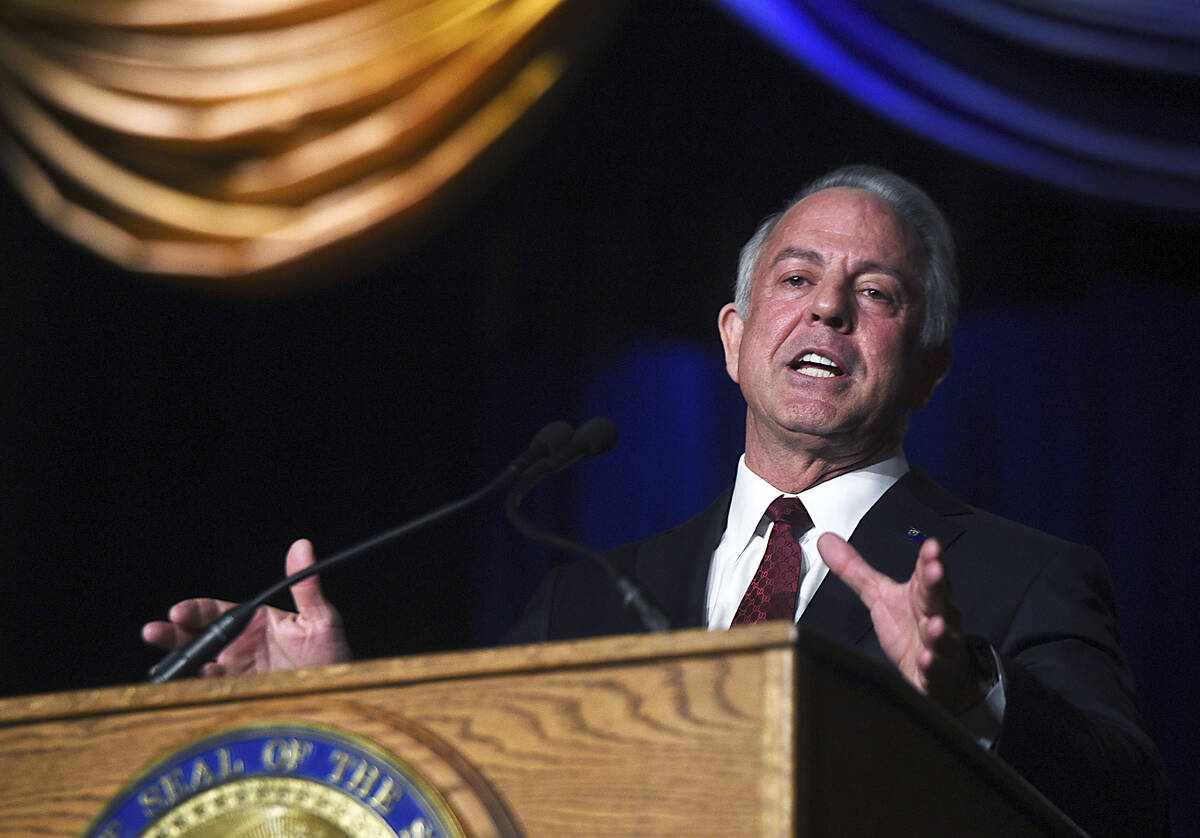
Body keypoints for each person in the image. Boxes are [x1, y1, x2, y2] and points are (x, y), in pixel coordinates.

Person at [144, 165, 1168, 836]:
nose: (827, 305)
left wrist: (973, 692)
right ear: (732, 337)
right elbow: (473, 812)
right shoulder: (583, 601)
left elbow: (1132, 808)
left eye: (878, 293)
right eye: (796, 277)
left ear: (930, 369)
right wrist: (333, 710)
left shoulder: (1020, 579)